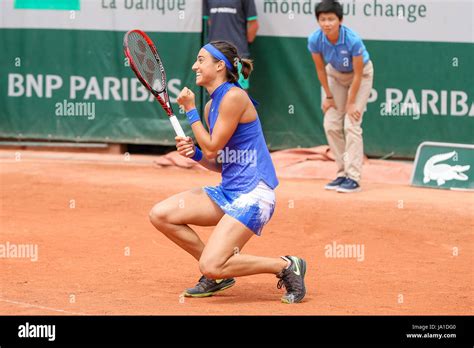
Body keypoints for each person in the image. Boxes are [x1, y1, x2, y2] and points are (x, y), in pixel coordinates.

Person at [148, 40, 307, 304]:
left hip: (254, 194)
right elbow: (218, 159)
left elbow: (211, 148)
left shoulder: (234, 97)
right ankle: (217, 274)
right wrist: (195, 154)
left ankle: (285, 266)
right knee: (161, 215)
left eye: (201, 60)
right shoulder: (212, 107)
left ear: (220, 65)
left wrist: (189, 110)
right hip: (229, 192)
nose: (194, 65)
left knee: (210, 264)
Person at [308, 0, 374, 193]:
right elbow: (320, 69)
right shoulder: (314, 39)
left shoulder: (353, 40)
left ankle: (353, 177)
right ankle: (342, 172)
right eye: (322, 19)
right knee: (331, 124)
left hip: (359, 77)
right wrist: (328, 96)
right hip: (334, 76)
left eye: (331, 19)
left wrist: (351, 103)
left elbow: (359, 74)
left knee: (351, 124)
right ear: (318, 21)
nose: (327, 23)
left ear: (340, 20)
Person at [203, 0, 259, 89]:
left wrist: (243, 44)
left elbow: (253, 24)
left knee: (239, 91)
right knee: (215, 91)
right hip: (214, 54)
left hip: (239, 54)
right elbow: (210, 21)